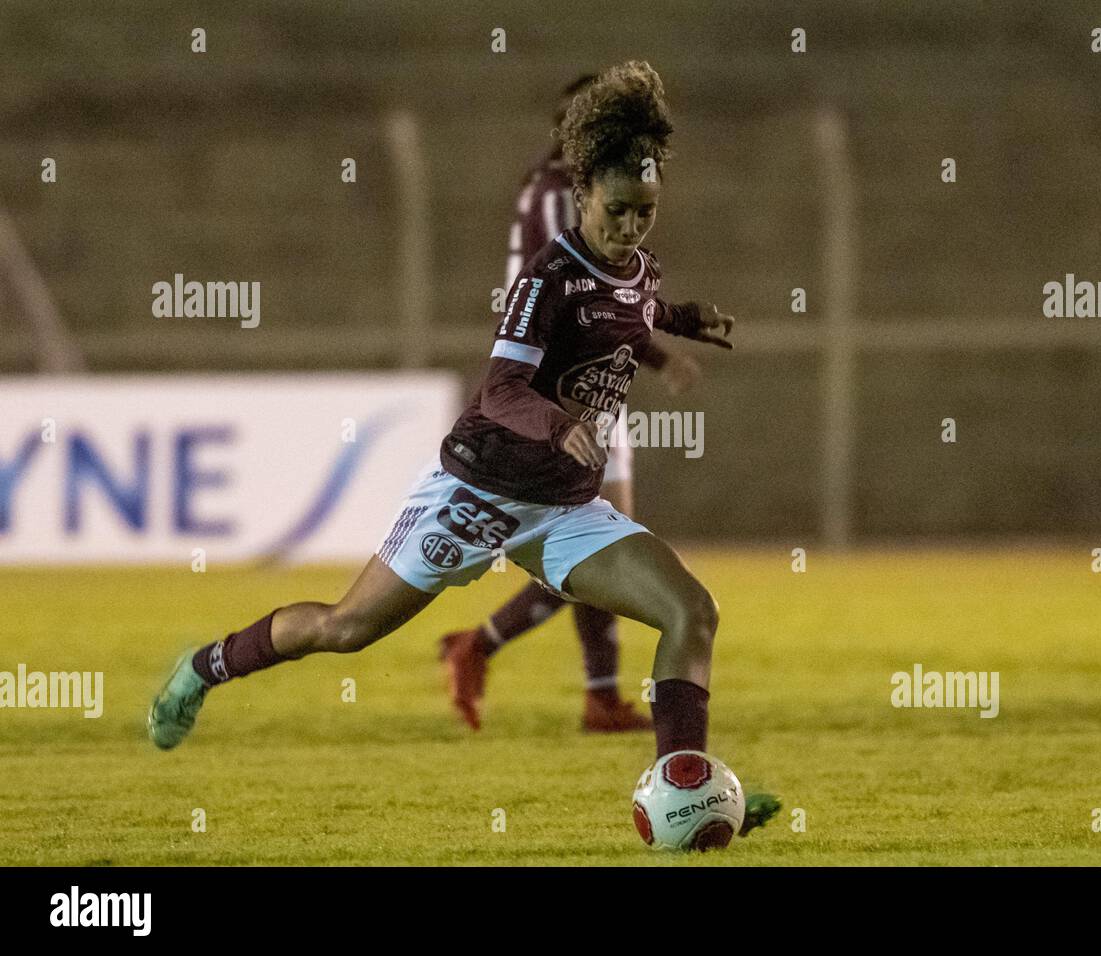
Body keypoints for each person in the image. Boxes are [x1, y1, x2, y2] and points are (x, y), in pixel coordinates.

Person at [146, 59, 778, 836]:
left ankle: (688, 787)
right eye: (616, 210)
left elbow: (634, 304)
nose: (629, 227)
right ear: (579, 195)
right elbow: (502, 391)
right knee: (345, 630)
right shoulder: (546, 281)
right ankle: (202, 668)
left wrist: (683, 317)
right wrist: (561, 424)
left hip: (562, 510)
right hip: (477, 491)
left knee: (692, 611)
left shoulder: (638, 264)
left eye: (645, 212)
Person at [438, 74, 703, 734]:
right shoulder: (565, 194)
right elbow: (584, 296)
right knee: (596, 545)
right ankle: (493, 650)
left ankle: (593, 692)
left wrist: (661, 343)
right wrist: (660, 354)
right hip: (560, 390)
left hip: (586, 380)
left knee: (600, 540)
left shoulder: (554, 184)